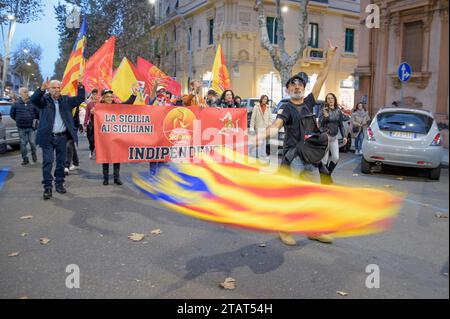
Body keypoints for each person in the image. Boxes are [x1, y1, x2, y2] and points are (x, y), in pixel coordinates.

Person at [255, 40, 338, 245]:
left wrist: (329, 57)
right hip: (294, 159)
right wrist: (261, 135)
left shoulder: (309, 102)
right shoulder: (286, 108)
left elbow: (321, 78)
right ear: (288, 89)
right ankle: (284, 230)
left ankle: (314, 230)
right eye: (293, 85)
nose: (298, 87)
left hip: (311, 158)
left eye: (300, 84)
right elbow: (276, 125)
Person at [30, 77, 85, 200]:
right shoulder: (44, 101)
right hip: (48, 137)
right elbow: (34, 100)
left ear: (61, 89)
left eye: (58, 87)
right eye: (53, 88)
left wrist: (80, 86)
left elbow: (80, 99)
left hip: (62, 137)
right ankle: (47, 187)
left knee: (61, 162)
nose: (56, 90)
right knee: (48, 162)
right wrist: (41, 89)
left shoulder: (66, 100)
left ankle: (59, 184)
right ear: (49, 89)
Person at [97, 88, 137, 185]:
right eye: (107, 97)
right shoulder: (99, 107)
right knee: (105, 157)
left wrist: (134, 95)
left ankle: (116, 178)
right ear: (103, 97)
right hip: (104, 137)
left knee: (117, 157)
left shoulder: (116, 106)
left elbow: (128, 103)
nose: (110, 98)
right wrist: (94, 113)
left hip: (115, 136)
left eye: (111, 96)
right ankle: (105, 178)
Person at [318, 93, 347, 178]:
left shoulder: (338, 111)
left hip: (334, 138)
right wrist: (325, 117)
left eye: (332, 98)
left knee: (336, 157)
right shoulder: (323, 110)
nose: (330, 100)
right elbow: (320, 124)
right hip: (325, 137)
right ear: (326, 101)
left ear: (334, 100)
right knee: (325, 160)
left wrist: (344, 136)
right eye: (328, 99)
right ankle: (324, 178)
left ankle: (328, 174)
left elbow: (341, 125)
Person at [10, 87, 39, 165]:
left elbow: (38, 113)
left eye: (27, 92)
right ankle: (25, 159)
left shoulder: (32, 103)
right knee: (23, 144)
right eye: (25, 92)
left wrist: (36, 120)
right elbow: (12, 114)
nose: (27, 93)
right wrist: (18, 120)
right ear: (20, 94)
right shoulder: (16, 104)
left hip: (31, 127)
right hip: (21, 127)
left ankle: (34, 155)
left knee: (33, 143)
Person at [249, 95, 272, 159]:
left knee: (264, 142)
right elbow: (253, 118)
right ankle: (258, 155)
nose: (265, 100)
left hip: (266, 127)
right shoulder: (256, 107)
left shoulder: (268, 107)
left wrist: (269, 126)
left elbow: (270, 118)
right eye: (264, 99)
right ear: (261, 99)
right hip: (258, 126)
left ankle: (263, 155)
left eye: (266, 99)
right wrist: (251, 127)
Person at [84, 89, 99, 160]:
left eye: (96, 94)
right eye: (94, 94)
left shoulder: (101, 103)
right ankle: (91, 149)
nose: (95, 96)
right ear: (92, 95)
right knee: (91, 140)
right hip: (91, 125)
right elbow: (87, 114)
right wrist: (84, 125)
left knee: (98, 140)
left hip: (99, 124)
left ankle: (97, 151)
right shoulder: (89, 104)